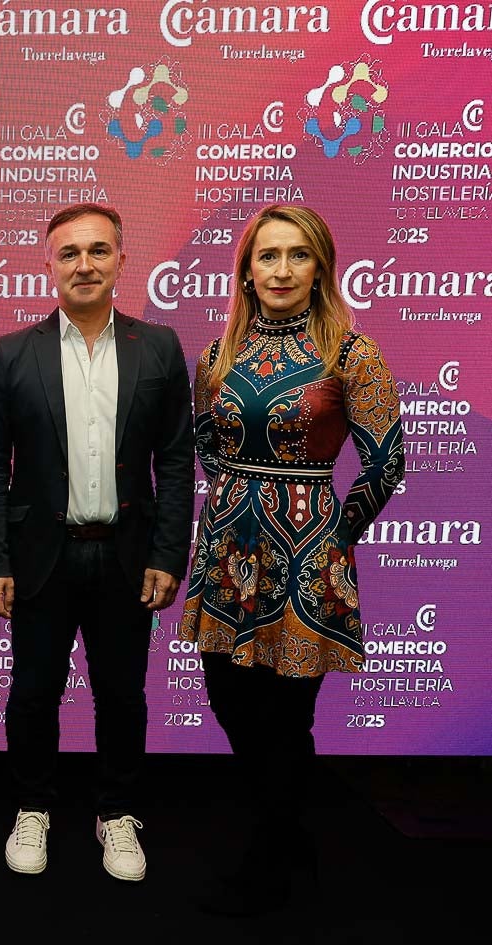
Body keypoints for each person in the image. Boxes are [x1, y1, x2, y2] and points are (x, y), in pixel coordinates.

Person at [180, 204, 405, 915]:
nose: (280, 269)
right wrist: (232, 507)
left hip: (304, 566)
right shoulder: (214, 358)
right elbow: (205, 444)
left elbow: (386, 460)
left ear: (319, 268)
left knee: (285, 720)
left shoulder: (351, 354)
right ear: (246, 270)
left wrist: (332, 540)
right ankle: (285, 835)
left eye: (296, 255)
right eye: (267, 255)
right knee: (227, 701)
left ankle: (272, 858)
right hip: (224, 558)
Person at [0, 203, 194, 884]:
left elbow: (177, 460)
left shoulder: (157, 347)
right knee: (33, 692)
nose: (84, 264)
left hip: (128, 556)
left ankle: (116, 810)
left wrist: (166, 553)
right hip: (40, 556)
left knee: (121, 693)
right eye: (68, 253)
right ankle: (34, 804)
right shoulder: (13, 351)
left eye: (98, 251)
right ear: (48, 264)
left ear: (121, 261)